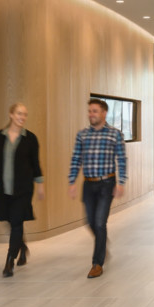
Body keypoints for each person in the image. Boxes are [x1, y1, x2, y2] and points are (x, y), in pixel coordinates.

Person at [68, 97, 128, 278]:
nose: (91, 114)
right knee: (90, 222)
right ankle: (102, 244)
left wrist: (121, 182)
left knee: (100, 222)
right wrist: (71, 181)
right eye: (89, 111)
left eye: (94, 111)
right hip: (88, 183)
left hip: (106, 183)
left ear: (104, 113)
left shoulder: (114, 134)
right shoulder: (82, 135)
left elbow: (122, 160)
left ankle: (97, 263)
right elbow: (76, 159)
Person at [0, 102, 44, 277]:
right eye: (19, 113)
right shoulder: (0, 136)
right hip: (4, 189)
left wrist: (40, 185)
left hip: (23, 189)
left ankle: (9, 261)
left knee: (17, 222)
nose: (22, 117)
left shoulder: (31, 138)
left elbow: (36, 164)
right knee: (7, 218)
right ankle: (21, 245)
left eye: (25, 114)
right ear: (11, 114)